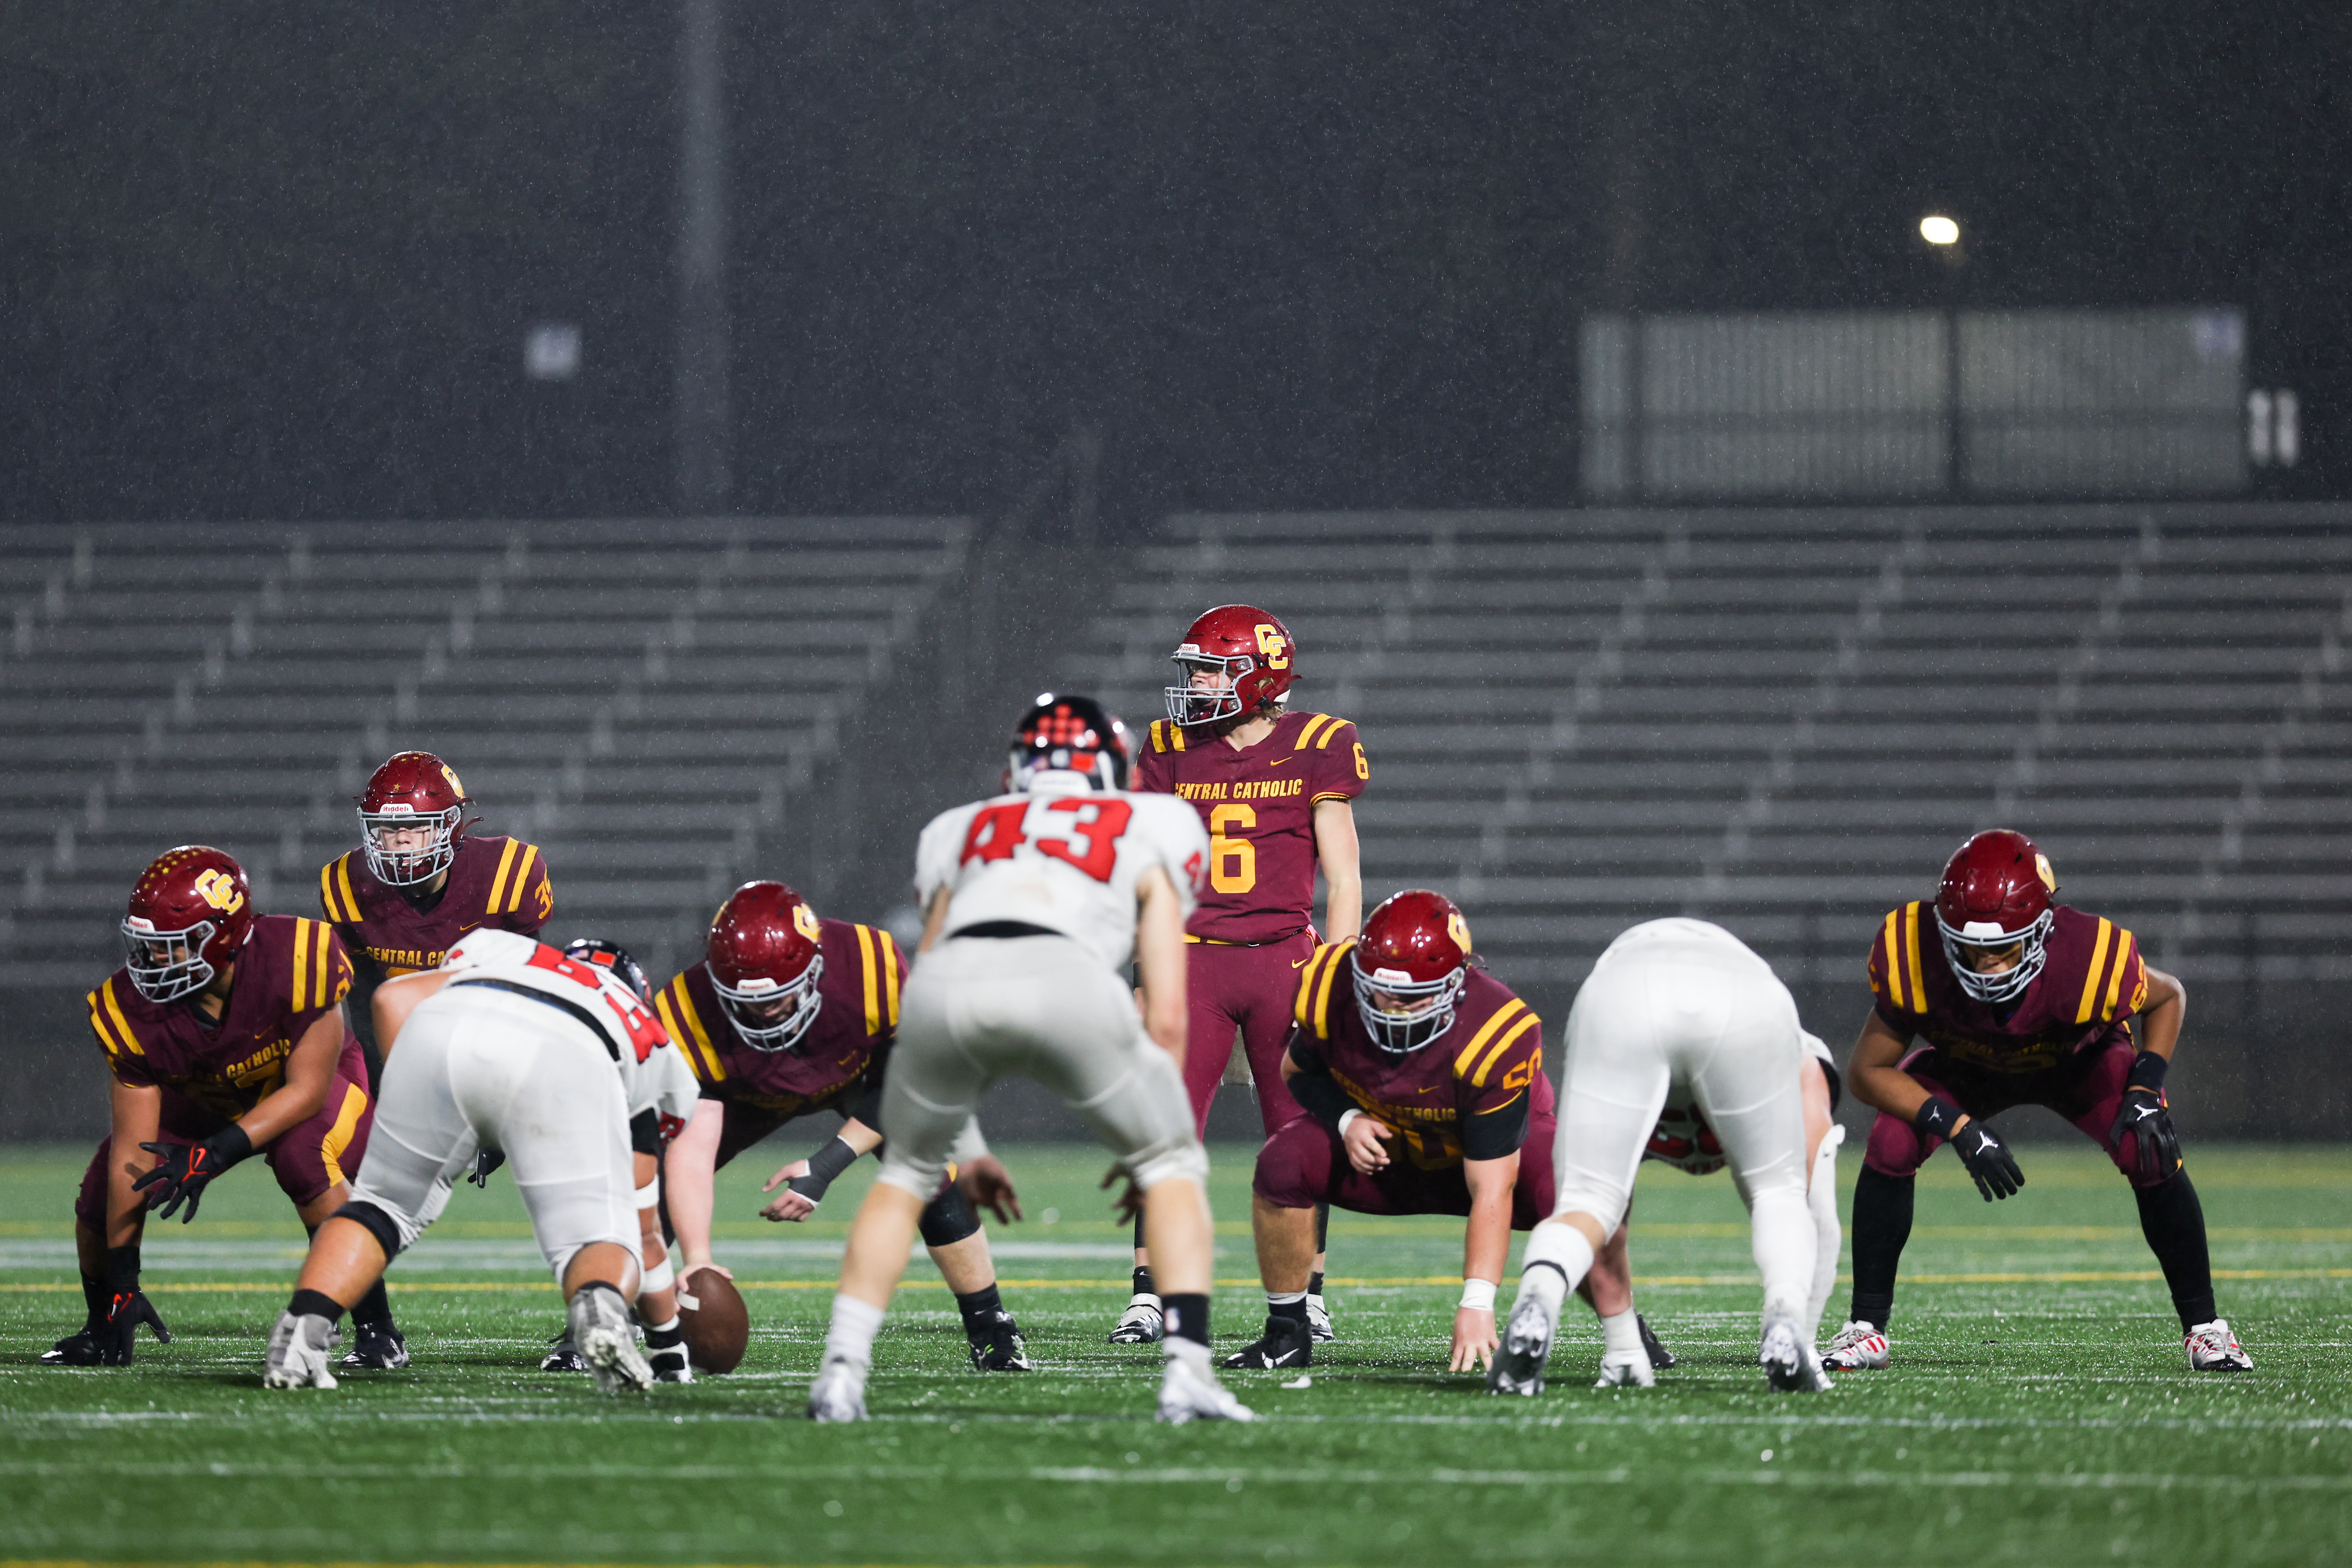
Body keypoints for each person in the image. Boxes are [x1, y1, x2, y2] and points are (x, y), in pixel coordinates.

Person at [808, 695, 1249, 1424]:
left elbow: (936, 963)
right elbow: (1168, 1009)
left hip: (951, 986)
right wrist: (1153, 1140)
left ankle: (842, 1370)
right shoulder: (1157, 820)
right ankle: (1188, 1371)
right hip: (1072, 978)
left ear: (1019, 767)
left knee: (908, 1175)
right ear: (1111, 765)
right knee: (1175, 1168)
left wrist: (968, 1146)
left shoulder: (959, 825)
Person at [1824, 829, 2251, 1373]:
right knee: (1891, 1137)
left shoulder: (2086, 954)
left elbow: (2167, 997)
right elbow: (1865, 1071)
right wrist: (1956, 1126)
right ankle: (1865, 1328)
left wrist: (2145, 1088)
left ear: (2042, 930)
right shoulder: (1915, 948)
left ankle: (2205, 1328)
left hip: (2076, 1063)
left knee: (2148, 1147)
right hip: (1967, 1065)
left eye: (2001, 948)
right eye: (1969, 947)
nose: (1985, 965)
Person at [261, 928, 698, 1394]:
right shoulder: (648, 1037)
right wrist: (668, 1347)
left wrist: (439, 1104)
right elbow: (646, 1233)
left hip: (446, 1032)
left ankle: (300, 1334)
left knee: (381, 1207)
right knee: (602, 1233)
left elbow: (391, 998)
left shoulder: (502, 948)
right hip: (574, 1054)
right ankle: (600, 1313)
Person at [1115, 604, 1366, 1347]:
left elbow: (1344, 879)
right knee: (1163, 1126)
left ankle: (1306, 1291)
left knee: (1300, 1132)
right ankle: (1148, 1291)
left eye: (1211, 667)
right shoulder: (1169, 747)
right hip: (1189, 954)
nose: (1195, 682)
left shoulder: (1319, 743)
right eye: (1193, 667)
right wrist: (1142, 966)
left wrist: (1337, 975)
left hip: (1286, 958)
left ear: (1260, 672)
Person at [653, 880, 1031, 1373]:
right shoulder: (685, 1006)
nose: (762, 1014)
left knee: (926, 1166)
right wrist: (699, 1257)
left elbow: (911, 1084)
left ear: (817, 965)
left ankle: (991, 1325)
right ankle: (600, 1319)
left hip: (858, 1074)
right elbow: (693, 1145)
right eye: (742, 1001)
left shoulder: (869, 963)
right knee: (647, 1193)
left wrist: (826, 1165)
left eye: (778, 997)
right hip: (744, 1091)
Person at [43, 846, 393, 1369]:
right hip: (205, 1096)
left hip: (310, 1084)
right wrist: (123, 1279)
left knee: (303, 1157)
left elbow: (307, 1091)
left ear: (221, 938)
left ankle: (377, 1329)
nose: (150, 962)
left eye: (171, 946)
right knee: (101, 1189)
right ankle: (102, 1324)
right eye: (146, 947)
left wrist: (217, 1151)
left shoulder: (296, 955)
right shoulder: (129, 1010)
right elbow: (132, 1154)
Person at [1489, 917, 1832, 1396]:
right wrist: (1804, 1325)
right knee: (1781, 1191)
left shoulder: (1800, 1058)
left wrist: (1623, 1345)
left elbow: (1607, 1232)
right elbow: (1812, 1207)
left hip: (1622, 991)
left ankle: (1538, 1298)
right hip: (1746, 998)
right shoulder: (1799, 1056)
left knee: (1588, 1203)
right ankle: (1784, 1319)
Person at [1223, 890, 1551, 1375]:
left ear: (1456, 983)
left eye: (1413, 996)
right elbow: (1298, 1069)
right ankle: (1288, 1331)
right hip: (1385, 1160)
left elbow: (1494, 1185)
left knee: (1578, 1188)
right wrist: (1346, 1118)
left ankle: (1624, 1328)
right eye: (1379, 990)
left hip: (1478, 1166)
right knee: (1282, 1160)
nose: (1391, 1006)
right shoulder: (1331, 984)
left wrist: (1477, 1302)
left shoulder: (1496, 1031)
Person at [1575, 1032, 1844, 1386]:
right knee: (1797, 1195)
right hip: (1739, 1067)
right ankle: (1794, 1331)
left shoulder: (1616, 1042)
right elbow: (1807, 1200)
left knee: (1587, 1205)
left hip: (1644, 1064)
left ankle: (1622, 1346)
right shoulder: (1781, 1042)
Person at [317, 750, 554, 1076]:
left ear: (450, 825)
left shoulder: (506, 873)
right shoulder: (348, 885)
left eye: (415, 825)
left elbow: (534, 988)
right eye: (388, 827)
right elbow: (365, 1008)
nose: (402, 840)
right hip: (406, 1051)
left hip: (495, 1046)